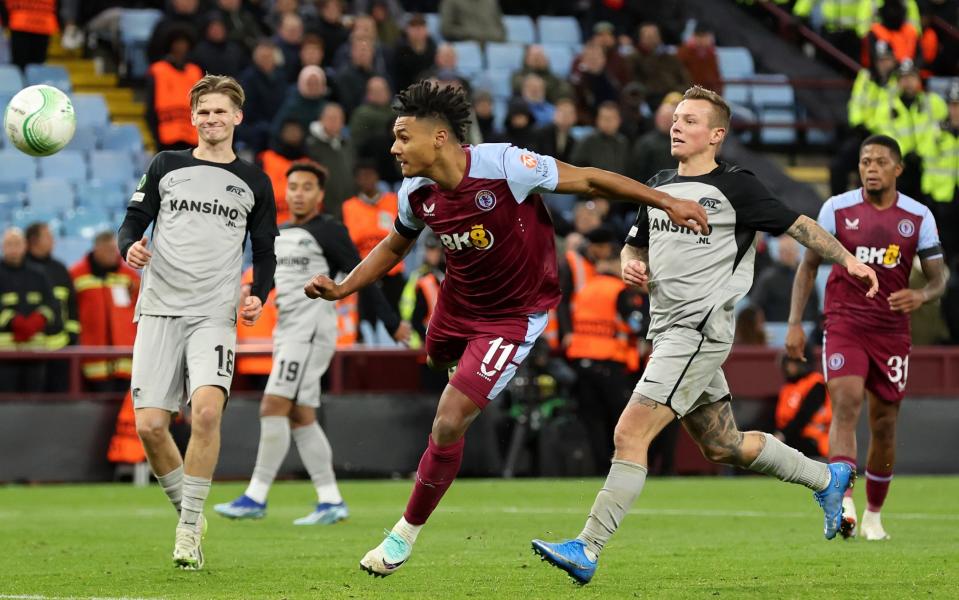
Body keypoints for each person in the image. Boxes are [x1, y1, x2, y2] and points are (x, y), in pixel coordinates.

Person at [302, 80, 709, 578]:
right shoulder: (416, 192)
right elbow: (393, 246)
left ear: (439, 138)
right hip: (456, 306)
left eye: (402, 136)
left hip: (512, 316)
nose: (393, 148)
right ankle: (456, 367)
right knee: (434, 359)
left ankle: (401, 536)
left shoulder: (505, 166)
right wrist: (345, 289)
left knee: (448, 420)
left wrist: (665, 201)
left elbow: (589, 180)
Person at [531, 86, 881, 585]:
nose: (677, 126)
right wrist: (632, 267)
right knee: (723, 444)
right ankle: (828, 478)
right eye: (675, 118)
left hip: (698, 331)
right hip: (668, 330)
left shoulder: (738, 187)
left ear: (716, 135)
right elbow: (635, 249)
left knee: (630, 433)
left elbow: (798, 225)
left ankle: (587, 547)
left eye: (690, 120)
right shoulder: (657, 184)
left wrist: (847, 260)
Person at [117, 74, 278, 570]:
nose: (211, 119)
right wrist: (131, 248)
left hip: (213, 313)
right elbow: (129, 225)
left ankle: (188, 529)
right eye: (202, 111)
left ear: (237, 117)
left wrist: (259, 292)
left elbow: (266, 249)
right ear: (192, 118)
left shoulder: (254, 180)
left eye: (219, 110)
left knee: (206, 413)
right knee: (150, 428)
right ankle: (189, 512)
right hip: (160, 308)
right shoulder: (167, 166)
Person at [215, 161, 407, 524]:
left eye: (307, 187)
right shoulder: (280, 232)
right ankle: (331, 500)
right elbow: (272, 279)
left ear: (320, 195)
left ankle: (255, 496)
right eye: (293, 187)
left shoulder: (330, 231)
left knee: (272, 405)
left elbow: (362, 274)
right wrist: (255, 293)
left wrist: (391, 321)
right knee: (301, 415)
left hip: (311, 331)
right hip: (287, 331)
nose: (298, 193)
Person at [786, 134, 946, 541]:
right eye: (864, 162)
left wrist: (922, 294)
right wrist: (793, 323)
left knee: (885, 423)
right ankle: (844, 502)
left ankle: (875, 514)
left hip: (892, 330)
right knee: (846, 403)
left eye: (879, 162)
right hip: (844, 322)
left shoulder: (918, 215)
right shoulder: (836, 209)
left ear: (897, 169)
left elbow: (939, 276)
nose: (870, 168)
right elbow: (807, 267)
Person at [566, 252, 647, 474]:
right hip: (610, 362)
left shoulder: (585, 289)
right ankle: (621, 468)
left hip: (581, 360)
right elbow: (635, 323)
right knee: (618, 419)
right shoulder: (618, 289)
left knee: (592, 420)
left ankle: (599, 468)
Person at [69, 232, 140, 392]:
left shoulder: (129, 276)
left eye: (115, 249)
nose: (113, 254)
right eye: (108, 250)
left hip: (125, 362)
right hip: (93, 360)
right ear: (97, 249)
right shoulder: (76, 274)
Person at [0, 227, 59, 393]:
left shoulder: (39, 274)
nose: (13, 248)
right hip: (4, 356)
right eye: (9, 244)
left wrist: (39, 319)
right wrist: (12, 321)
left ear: (25, 246)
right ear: (2, 247)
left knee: (35, 402)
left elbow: (52, 304)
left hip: (35, 352)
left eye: (17, 243)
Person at [25, 222, 78, 393]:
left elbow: (71, 304)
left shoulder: (60, 269)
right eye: (48, 237)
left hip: (60, 347)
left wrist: (72, 334)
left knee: (60, 396)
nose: (53, 241)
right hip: (29, 349)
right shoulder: (21, 269)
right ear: (34, 240)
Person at [146, 27, 203, 151]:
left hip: (192, 137)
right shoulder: (158, 70)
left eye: (184, 43)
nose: (181, 47)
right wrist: (155, 135)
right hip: (166, 138)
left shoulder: (195, 72)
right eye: (177, 43)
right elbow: (150, 107)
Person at [776, 349, 832, 458]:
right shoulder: (788, 387)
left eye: (792, 362)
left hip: (815, 441)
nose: (788, 366)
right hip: (792, 436)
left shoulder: (816, 384)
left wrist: (782, 435)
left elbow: (804, 416)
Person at [399, 232, 445, 349]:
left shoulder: (440, 275)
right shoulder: (422, 278)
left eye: (437, 250)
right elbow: (415, 317)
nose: (434, 254)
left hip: (432, 339)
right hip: (419, 341)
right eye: (431, 250)